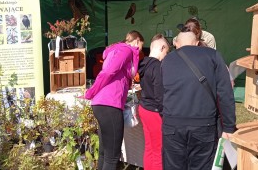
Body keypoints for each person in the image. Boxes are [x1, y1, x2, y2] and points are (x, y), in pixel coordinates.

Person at [161, 29, 236, 170]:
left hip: (172, 125)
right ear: (196, 43)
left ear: (176, 43)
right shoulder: (213, 55)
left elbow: (160, 94)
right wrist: (229, 127)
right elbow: (225, 94)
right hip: (203, 125)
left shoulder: (167, 59)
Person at [85, 30, 144, 170]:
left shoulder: (115, 50)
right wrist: (92, 90)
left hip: (102, 103)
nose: (139, 51)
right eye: (141, 46)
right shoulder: (127, 50)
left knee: (105, 153)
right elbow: (108, 71)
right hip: (110, 104)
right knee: (112, 156)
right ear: (136, 42)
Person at [138, 34, 170, 170]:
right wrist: (165, 114)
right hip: (154, 112)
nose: (166, 56)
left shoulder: (143, 63)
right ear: (162, 47)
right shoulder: (157, 67)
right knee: (158, 152)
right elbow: (160, 95)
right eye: (166, 52)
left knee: (149, 148)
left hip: (144, 108)